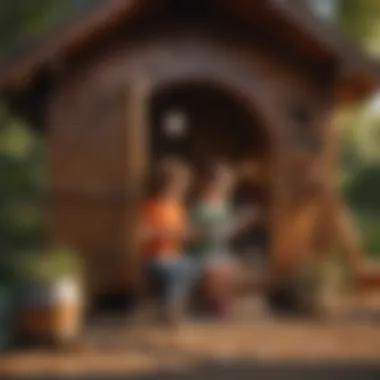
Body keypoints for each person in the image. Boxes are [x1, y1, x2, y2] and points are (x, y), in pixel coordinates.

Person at [189, 162, 260, 318]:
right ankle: (214, 306)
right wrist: (235, 224)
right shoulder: (200, 206)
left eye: (228, 184)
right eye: (222, 183)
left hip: (221, 251)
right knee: (218, 269)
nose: (226, 188)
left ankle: (223, 305)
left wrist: (242, 222)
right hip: (203, 251)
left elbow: (228, 232)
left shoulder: (224, 205)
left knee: (235, 268)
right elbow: (195, 234)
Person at [139, 158, 194, 325]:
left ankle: (177, 307)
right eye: (177, 185)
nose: (180, 190)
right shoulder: (152, 207)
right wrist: (164, 232)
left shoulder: (178, 208)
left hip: (175, 255)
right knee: (176, 270)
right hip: (156, 257)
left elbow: (186, 233)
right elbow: (143, 234)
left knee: (189, 266)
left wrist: (185, 233)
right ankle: (171, 310)